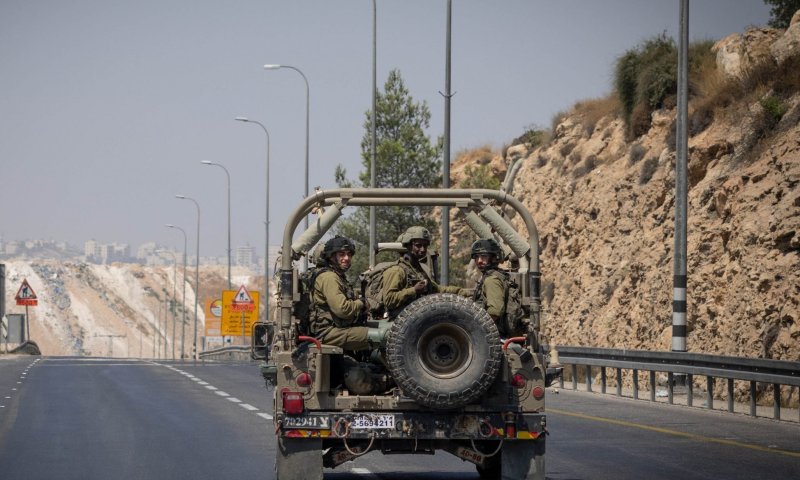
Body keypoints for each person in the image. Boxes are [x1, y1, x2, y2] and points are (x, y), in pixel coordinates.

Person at [309, 236, 385, 350]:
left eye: (349, 254)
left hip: (339, 328)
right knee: (385, 336)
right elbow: (343, 309)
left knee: (392, 330)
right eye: (341, 254)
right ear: (331, 257)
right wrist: (361, 303)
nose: (347, 258)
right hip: (328, 333)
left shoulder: (337, 276)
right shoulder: (329, 277)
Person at [382, 226, 469, 319]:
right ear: (409, 246)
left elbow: (438, 289)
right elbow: (388, 300)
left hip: (418, 319)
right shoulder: (396, 271)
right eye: (418, 245)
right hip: (401, 322)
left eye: (425, 246)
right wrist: (413, 290)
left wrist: (463, 292)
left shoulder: (418, 270)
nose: (423, 250)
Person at [471, 238, 523, 337]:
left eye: (484, 256)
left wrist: (474, 328)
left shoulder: (492, 280)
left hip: (496, 334)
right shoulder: (492, 276)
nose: (479, 261)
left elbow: (494, 312)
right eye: (476, 257)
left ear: (494, 258)